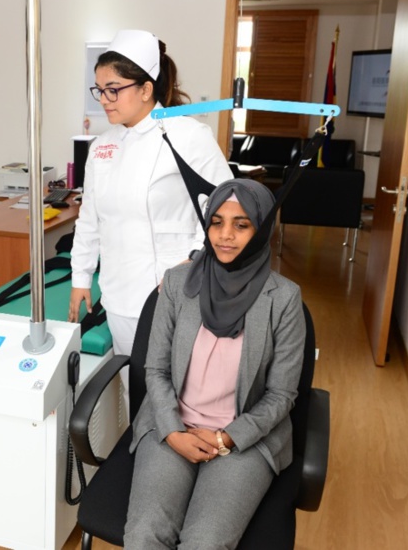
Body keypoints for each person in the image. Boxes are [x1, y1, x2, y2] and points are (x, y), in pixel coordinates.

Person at [123, 179, 306, 549]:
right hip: (172, 424)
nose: (225, 235)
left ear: (262, 229)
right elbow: (155, 369)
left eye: (241, 225)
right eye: (216, 222)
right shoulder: (177, 283)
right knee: (143, 536)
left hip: (244, 438)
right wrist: (173, 430)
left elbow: (282, 394)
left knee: (204, 543)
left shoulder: (284, 299)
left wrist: (227, 437)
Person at [69, 29, 232, 394]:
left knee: (179, 392)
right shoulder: (102, 148)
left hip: (174, 295)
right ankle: (142, 449)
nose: (104, 100)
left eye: (113, 89)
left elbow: (225, 209)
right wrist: (81, 277)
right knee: (136, 390)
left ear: (146, 89)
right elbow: (90, 219)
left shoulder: (188, 136)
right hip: (118, 294)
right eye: (99, 89)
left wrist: (193, 259)